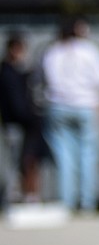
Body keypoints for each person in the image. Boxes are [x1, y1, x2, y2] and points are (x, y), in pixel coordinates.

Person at [41, 16, 99, 213]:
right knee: (88, 154)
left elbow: (45, 79)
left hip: (58, 106)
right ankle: (87, 202)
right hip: (85, 105)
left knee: (64, 156)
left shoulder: (52, 52)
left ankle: (67, 201)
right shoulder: (88, 50)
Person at [1, 30, 51, 203]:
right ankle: (13, 196)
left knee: (29, 160)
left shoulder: (21, 73)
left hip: (26, 124)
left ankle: (27, 195)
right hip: (15, 123)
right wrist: (29, 116)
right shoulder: (7, 73)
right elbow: (16, 103)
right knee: (16, 162)